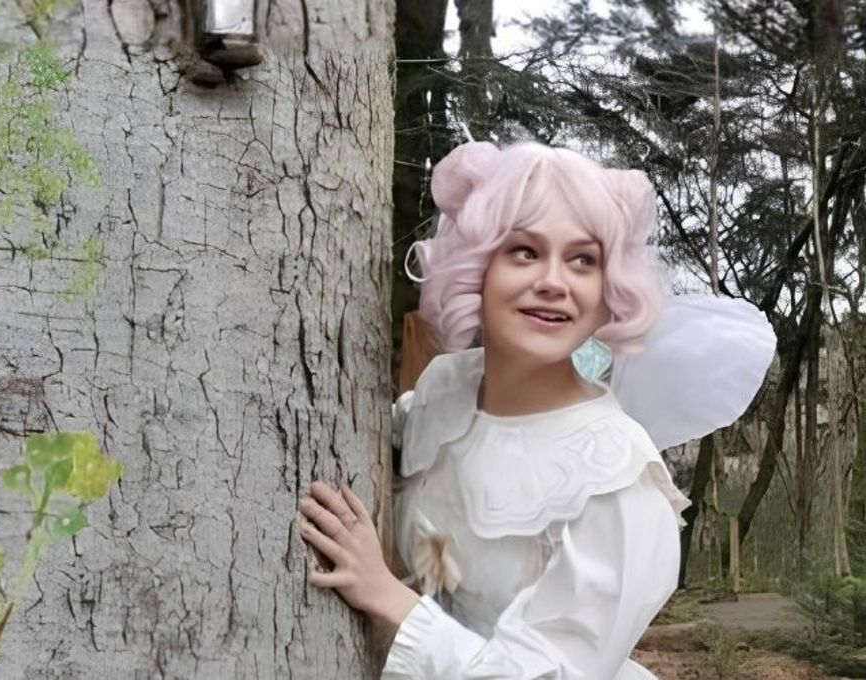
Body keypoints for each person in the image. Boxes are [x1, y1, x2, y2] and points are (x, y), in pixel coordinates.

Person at [295, 142, 719, 678]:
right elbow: (438, 560)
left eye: (583, 260)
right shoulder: (443, 390)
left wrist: (386, 597)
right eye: (525, 251)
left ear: (608, 288)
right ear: (478, 268)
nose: (554, 282)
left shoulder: (617, 481)